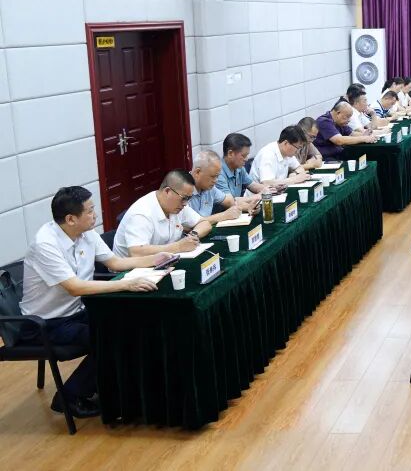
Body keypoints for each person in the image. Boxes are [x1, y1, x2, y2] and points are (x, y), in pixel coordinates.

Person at [20, 187, 172, 418]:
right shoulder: (45, 244)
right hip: (46, 324)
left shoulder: (86, 232)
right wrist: (126, 284)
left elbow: (115, 263)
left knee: (134, 323)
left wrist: (155, 259)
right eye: (90, 211)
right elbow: (75, 287)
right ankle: (69, 397)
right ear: (71, 219)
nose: (96, 215)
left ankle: (113, 387)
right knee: (111, 336)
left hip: (77, 311)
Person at [113, 170, 212, 258]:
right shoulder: (142, 213)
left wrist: (193, 236)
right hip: (130, 270)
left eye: (189, 198)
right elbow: (136, 252)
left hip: (163, 262)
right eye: (184, 198)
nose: (185, 203)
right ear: (167, 191)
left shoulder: (177, 206)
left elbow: (204, 223)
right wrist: (178, 247)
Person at [187, 149, 255, 223]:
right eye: (213, 176)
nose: (215, 181)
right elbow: (190, 224)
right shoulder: (182, 190)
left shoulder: (210, 188)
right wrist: (223, 215)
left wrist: (249, 207)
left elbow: (230, 202)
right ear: (197, 172)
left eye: (217, 176)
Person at [314, 100, 379, 160]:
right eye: (347, 117)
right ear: (338, 113)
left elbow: (352, 134)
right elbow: (339, 140)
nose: (349, 120)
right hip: (327, 159)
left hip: (339, 154)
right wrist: (363, 138)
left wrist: (364, 135)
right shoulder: (324, 121)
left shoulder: (340, 122)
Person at [216, 133, 271, 199]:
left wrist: (267, 190)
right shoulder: (218, 173)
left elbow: (252, 185)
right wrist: (258, 196)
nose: (246, 159)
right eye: (243, 156)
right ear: (230, 153)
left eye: (247, 155)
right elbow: (229, 201)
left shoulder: (239, 168)